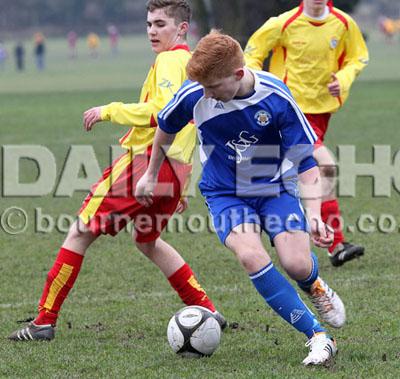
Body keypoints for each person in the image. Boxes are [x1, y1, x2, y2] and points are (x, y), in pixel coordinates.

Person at [9, 0, 225, 342]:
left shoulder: (170, 60)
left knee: (80, 232)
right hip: (176, 169)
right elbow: (196, 125)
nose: (152, 31)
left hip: (145, 163)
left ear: (182, 28)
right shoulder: (193, 66)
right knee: (148, 240)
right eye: (149, 24)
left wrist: (108, 109)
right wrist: (182, 184)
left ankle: (44, 321)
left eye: (160, 24)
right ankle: (206, 308)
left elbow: (163, 113)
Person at [136, 31, 346, 366]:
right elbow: (166, 125)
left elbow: (305, 161)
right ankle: (319, 336)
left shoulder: (275, 96)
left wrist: (315, 212)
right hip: (225, 192)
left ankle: (314, 285)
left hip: (274, 187)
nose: (207, 95)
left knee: (296, 264)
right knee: (251, 256)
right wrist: (150, 173)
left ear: (237, 74)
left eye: (214, 88)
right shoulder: (196, 91)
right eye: (203, 88)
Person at [244, 0, 369, 267]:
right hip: (290, 111)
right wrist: (262, 86)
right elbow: (251, 53)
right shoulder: (283, 23)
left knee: (282, 175)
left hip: (321, 112)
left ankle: (271, 229)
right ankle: (334, 242)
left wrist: (343, 79)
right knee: (325, 166)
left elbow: (358, 57)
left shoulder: (344, 23)